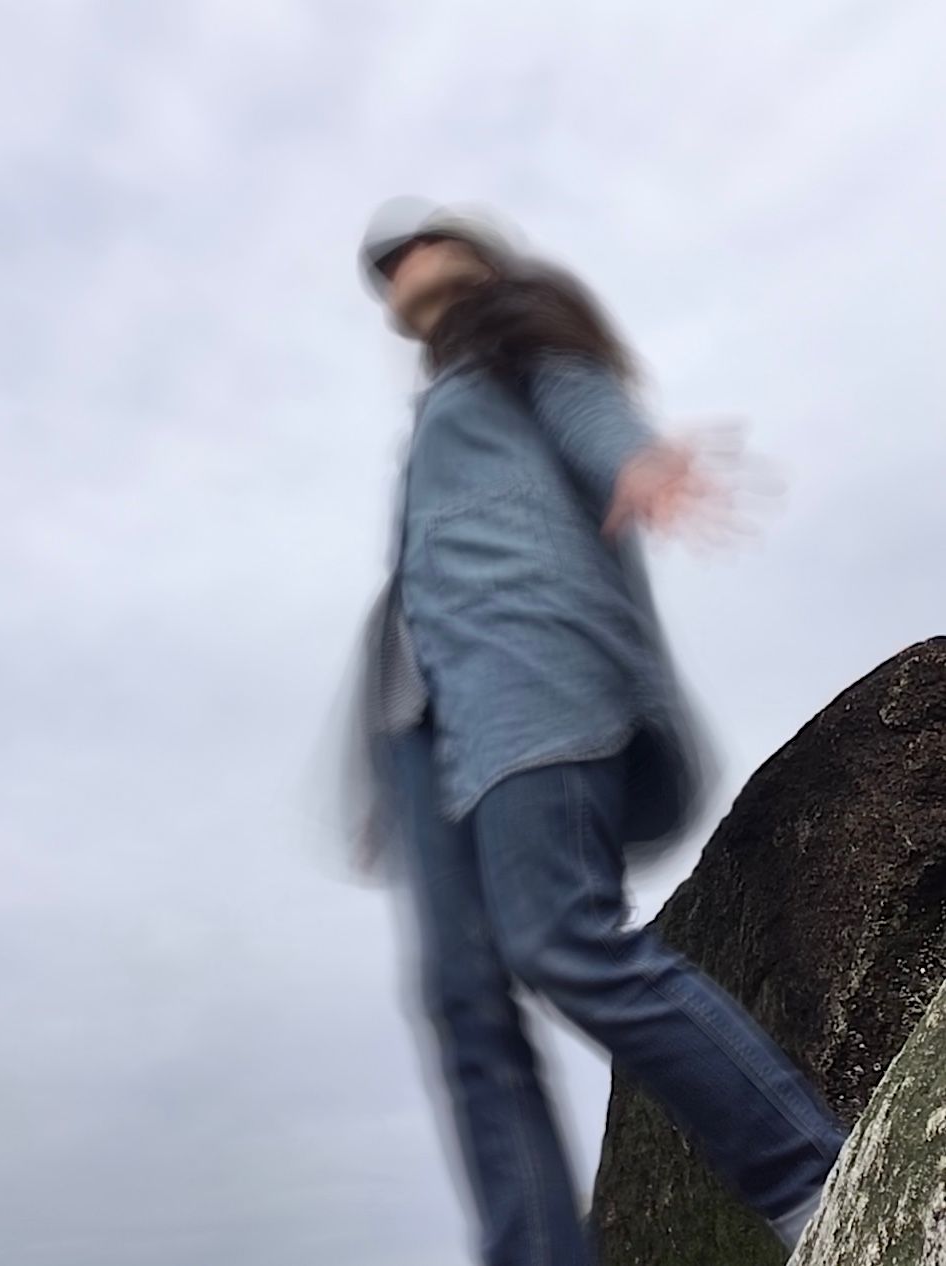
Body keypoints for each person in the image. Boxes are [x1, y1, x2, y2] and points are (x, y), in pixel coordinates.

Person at [342, 195, 848, 1265]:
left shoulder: (515, 338)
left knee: (558, 936)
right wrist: (384, 785)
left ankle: (812, 1182)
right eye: (387, 262)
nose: (404, 259)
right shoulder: (441, 412)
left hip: (529, 673)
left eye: (422, 239)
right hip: (428, 735)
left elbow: (586, 408)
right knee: (464, 1008)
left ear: (476, 258)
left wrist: (637, 462)